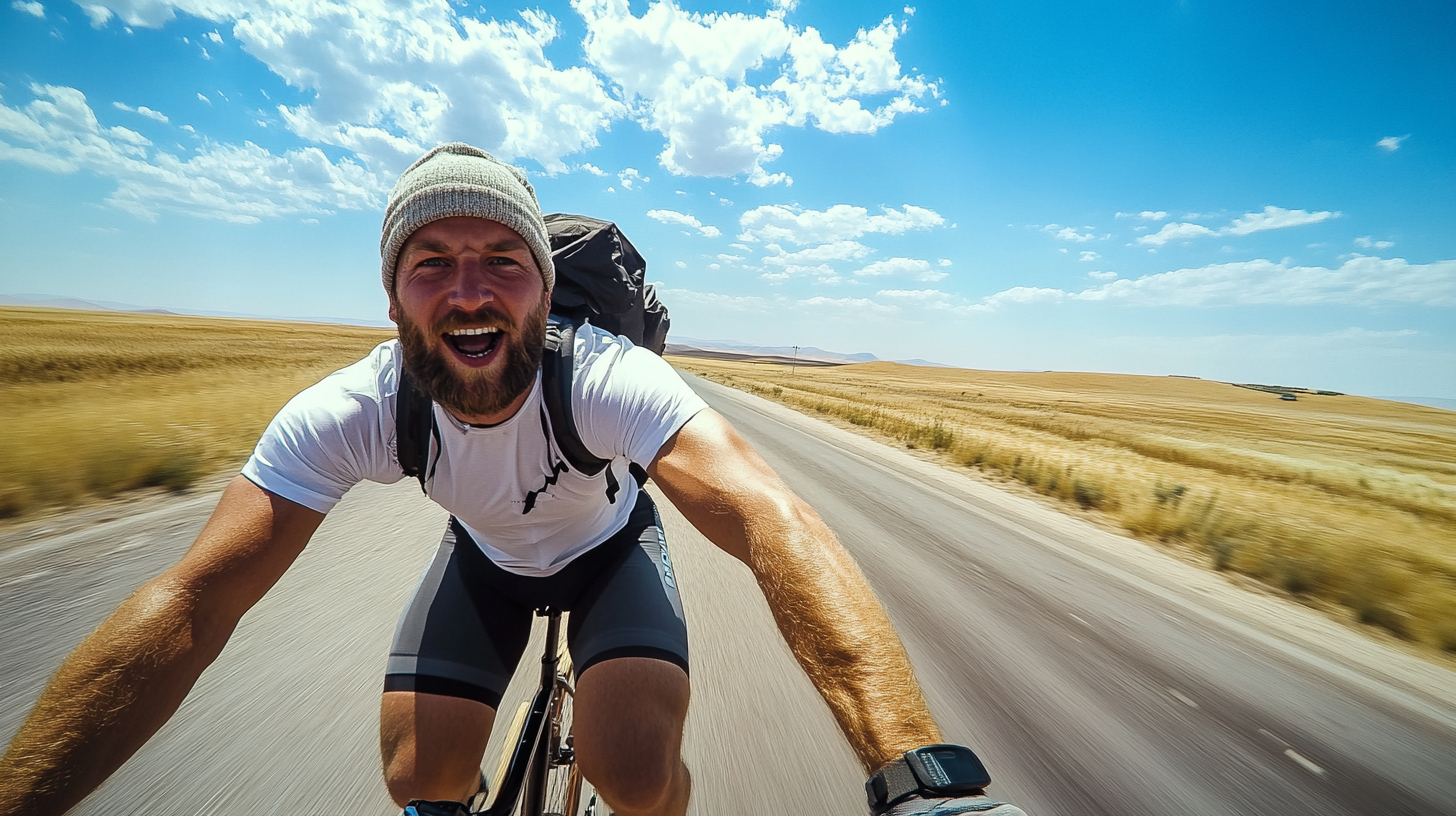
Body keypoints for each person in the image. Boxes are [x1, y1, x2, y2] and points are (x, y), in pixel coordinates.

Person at [0, 143, 1024, 816]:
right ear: (394, 298)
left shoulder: (609, 378)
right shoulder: (357, 409)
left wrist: (915, 772)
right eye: (431, 261)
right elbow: (194, 597)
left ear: (541, 288)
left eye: (502, 258)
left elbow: (771, 517)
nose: (470, 289)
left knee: (631, 773)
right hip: (485, 562)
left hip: (611, 553)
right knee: (421, 781)